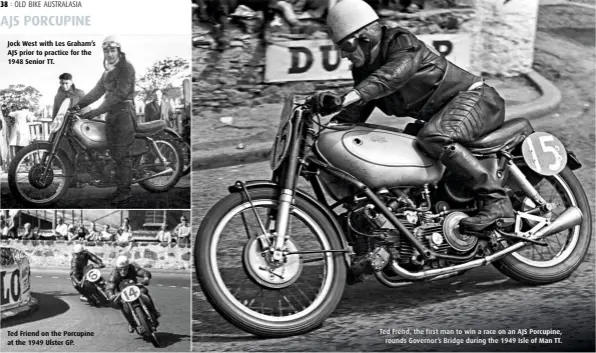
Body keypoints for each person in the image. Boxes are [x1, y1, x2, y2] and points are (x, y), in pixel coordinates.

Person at [315, 0, 513, 232]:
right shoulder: (365, 70)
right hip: (441, 116)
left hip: (477, 100)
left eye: (345, 46)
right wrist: (321, 128)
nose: (343, 55)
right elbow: (352, 115)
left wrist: (350, 96)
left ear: (364, 38)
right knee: (403, 149)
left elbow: (390, 77)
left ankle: (496, 200)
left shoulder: (402, 44)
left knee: (433, 138)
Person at [71, 36, 137, 206]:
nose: (109, 54)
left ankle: (125, 192)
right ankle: (116, 183)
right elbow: (96, 92)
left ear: (119, 51)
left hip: (124, 113)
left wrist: (97, 111)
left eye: (112, 50)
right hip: (112, 114)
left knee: (121, 154)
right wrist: (77, 106)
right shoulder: (107, 71)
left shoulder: (126, 68)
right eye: (106, 50)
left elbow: (120, 94)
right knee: (112, 152)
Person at [106, 255, 160, 333]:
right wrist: (110, 294)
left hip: (135, 288)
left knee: (144, 291)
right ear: (117, 268)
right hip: (122, 293)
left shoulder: (132, 268)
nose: (123, 271)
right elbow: (110, 286)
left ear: (128, 267)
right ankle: (131, 323)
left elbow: (144, 272)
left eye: (125, 269)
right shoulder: (114, 274)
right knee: (122, 304)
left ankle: (153, 311)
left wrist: (146, 277)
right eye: (120, 269)